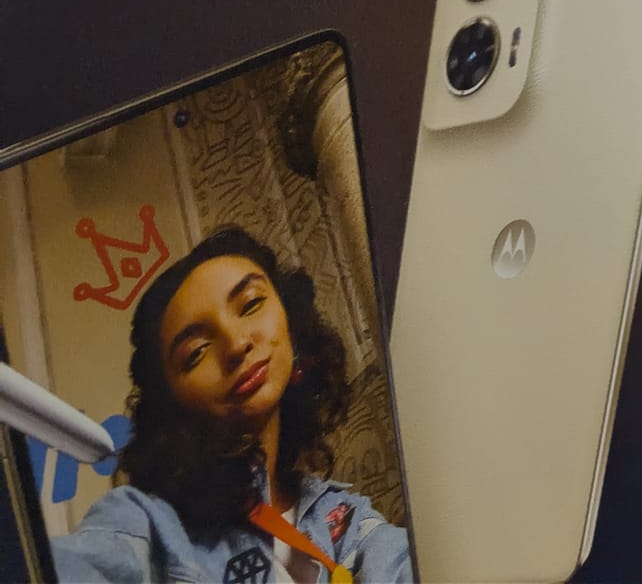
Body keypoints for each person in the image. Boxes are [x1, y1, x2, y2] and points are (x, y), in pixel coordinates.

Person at [52, 229, 411, 583]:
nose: (237, 344)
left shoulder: (344, 520)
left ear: (292, 325)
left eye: (251, 304)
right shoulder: (146, 523)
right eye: (196, 352)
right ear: (172, 407)